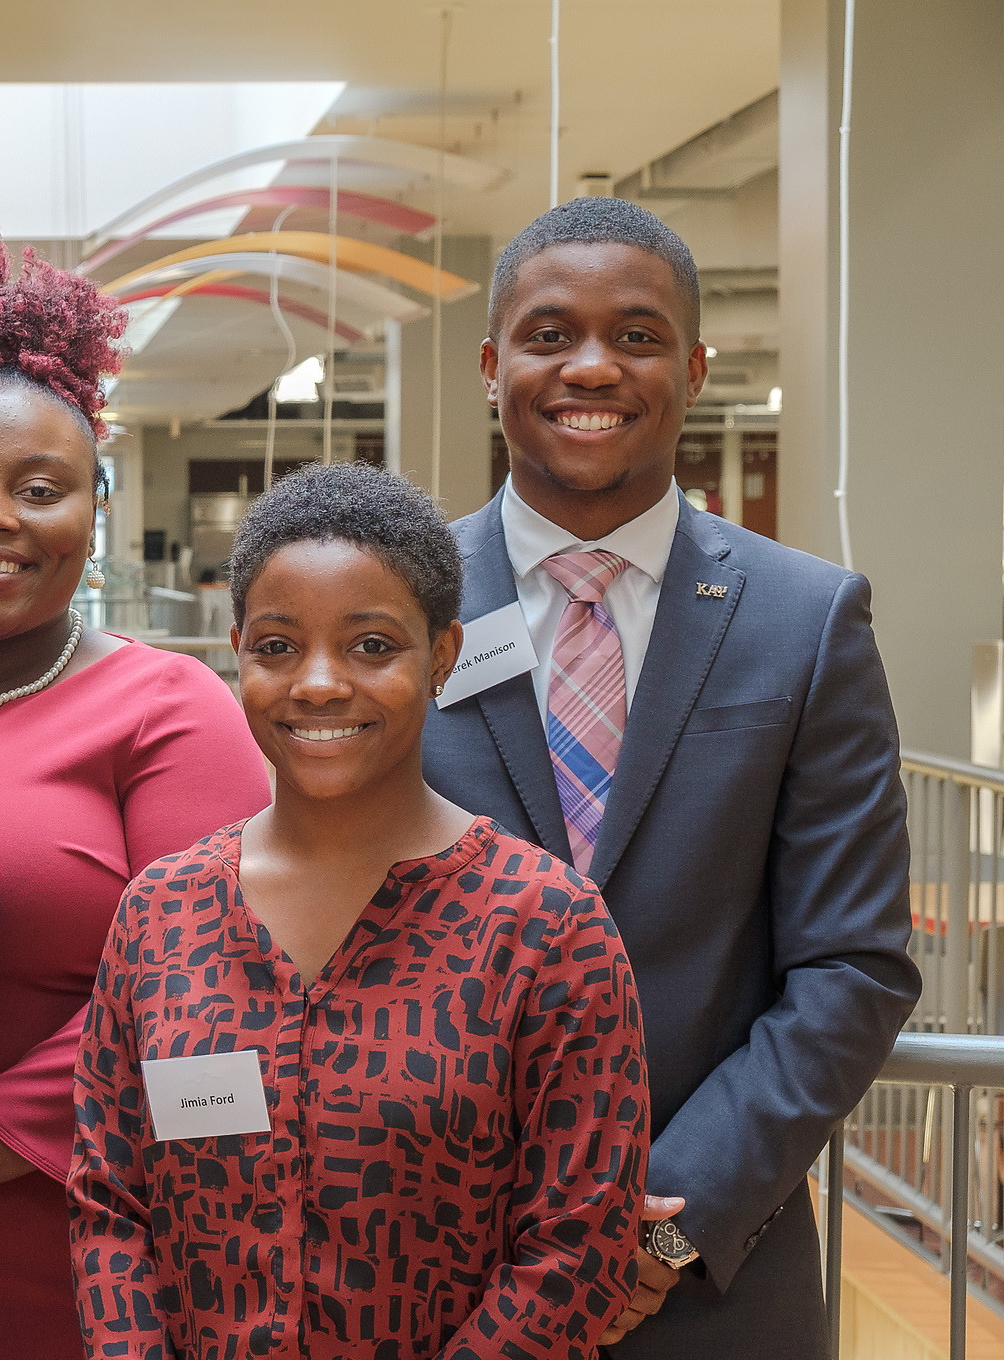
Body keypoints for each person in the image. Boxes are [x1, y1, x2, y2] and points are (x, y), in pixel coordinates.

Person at [424, 197, 921, 1357]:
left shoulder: (805, 619)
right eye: (550, 335)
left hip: (706, 1279)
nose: (592, 365)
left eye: (637, 335)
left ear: (694, 366)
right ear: (493, 366)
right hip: (432, 1254)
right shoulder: (399, 602)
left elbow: (853, 962)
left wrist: (658, 1228)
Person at [69, 461, 650, 1359]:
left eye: (372, 646)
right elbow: (110, 1203)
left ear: (443, 658)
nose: (318, 684)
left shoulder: (545, 927)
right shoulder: (161, 914)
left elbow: (578, 1246)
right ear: (237, 653)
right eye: (276, 647)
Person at [0, 224, 270, 1360]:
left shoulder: (170, 710)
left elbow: (214, 994)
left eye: (39, 487)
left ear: (93, 510)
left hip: (75, 1243)